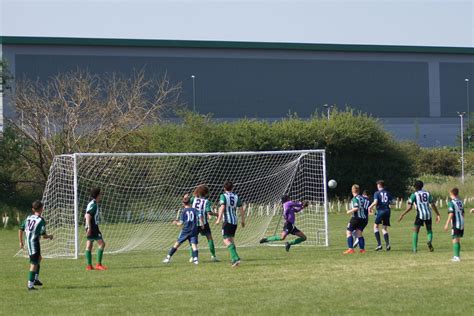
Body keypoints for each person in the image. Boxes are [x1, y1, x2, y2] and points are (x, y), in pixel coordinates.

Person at [18, 200, 54, 290]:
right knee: (34, 264)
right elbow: (44, 235)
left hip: (29, 242)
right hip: (34, 243)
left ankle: (36, 279)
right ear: (42, 209)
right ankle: (30, 285)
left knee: (39, 258)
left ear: (33, 209)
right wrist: (50, 236)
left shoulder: (29, 217)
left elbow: (20, 229)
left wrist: (20, 241)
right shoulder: (41, 220)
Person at [399, 180, 440, 253]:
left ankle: (414, 249)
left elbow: (409, 207)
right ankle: (429, 241)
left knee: (415, 231)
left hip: (420, 214)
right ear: (422, 186)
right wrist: (437, 214)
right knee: (429, 230)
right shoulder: (427, 193)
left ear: (415, 187)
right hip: (428, 214)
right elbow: (433, 204)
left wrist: (402, 214)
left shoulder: (414, 194)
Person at [163, 193, 203, 264]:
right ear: (190, 202)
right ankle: (196, 260)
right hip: (194, 230)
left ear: (183, 204)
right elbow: (200, 215)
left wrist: (175, 223)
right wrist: (201, 223)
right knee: (194, 245)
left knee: (177, 244)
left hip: (186, 230)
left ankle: (168, 258)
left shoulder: (183, 211)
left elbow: (180, 223)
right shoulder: (194, 210)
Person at [215, 181, 245, 267]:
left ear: (224, 188)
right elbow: (241, 209)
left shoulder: (223, 196)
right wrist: (243, 220)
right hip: (234, 221)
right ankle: (234, 259)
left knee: (226, 240)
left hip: (227, 221)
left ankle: (236, 258)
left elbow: (222, 207)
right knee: (231, 240)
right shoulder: (236, 196)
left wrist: (218, 219)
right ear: (232, 188)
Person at [190, 184, 220, 262]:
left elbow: (187, 202)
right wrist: (217, 214)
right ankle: (213, 256)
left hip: (194, 222)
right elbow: (209, 212)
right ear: (206, 193)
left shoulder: (193, 199)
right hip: (204, 223)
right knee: (209, 238)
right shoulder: (206, 201)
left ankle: (192, 257)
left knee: (193, 240)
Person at [85, 188, 107, 270]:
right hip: (93, 226)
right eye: (100, 194)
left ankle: (89, 266)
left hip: (90, 226)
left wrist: (87, 227)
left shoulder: (92, 203)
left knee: (89, 245)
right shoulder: (94, 204)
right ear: (97, 195)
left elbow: (86, 215)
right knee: (102, 244)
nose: (101, 196)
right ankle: (98, 264)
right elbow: (87, 215)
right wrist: (89, 227)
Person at [369, 180, 393, 251]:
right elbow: (393, 202)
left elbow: (375, 202)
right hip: (388, 211)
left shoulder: (377, 193)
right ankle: (387, 244)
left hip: (380, 211)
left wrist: (370, 206)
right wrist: (388, 202)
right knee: (384, 228)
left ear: (379, 185)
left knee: (375, 227)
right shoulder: (388, 193)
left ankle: (379, 245)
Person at [344, 185, 368, 254]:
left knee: (348, 232)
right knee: (359, 233)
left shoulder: (355, 198)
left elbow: (356, 208)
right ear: (359, 190)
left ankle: (351, 249)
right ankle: (362, 249)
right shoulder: (362, 198)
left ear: (352, 190)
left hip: (356, 218)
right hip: (364, 219)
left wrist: (349, 211)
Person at [444, 188, 465, 262]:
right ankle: (457, 256)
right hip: (461, 222)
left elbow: (451, 213)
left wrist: (447, 223)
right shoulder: (460, 202)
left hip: (456, 223)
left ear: (451, 193)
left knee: (455, 239)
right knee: (458, 239)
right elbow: (463, 213)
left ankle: (456, 257)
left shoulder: (451, 202)